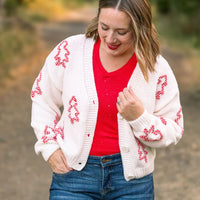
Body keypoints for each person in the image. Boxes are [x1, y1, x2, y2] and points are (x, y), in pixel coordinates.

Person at [31, 0, 184, 199]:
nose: (110, 38)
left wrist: (139, 118)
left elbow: (174, 128)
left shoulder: (155, 68)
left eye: (121, 32)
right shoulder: (70, 51)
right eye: (104, 27)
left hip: (132, 184)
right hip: (74, 178)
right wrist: (49, 148)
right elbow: (42, 97)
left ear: (140, 29)